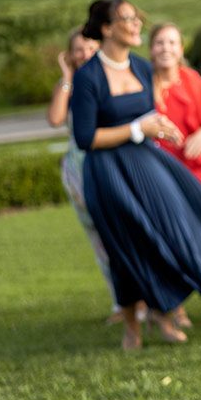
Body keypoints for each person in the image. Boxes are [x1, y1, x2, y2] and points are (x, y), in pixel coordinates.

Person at [70, 0, 201, 351]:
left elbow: (148, 112)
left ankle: (164, 313)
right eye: (127, 18)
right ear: (107, 28)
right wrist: (139, 128)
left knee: (174, 230)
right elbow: (85, 138)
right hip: (107, 172)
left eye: (137, 17)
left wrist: (160, 126)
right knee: (126, 246)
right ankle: (132, 327)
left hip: (147, 163)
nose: (137, 24)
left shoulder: (140, 66)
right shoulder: (88, 77)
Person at [48, 27, 125, 323]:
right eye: (79, 49)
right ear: (70, 55)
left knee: (123, 231)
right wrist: (67, 77)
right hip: (79, 171)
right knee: (99, 238)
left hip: (111, 163)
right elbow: (56, 118)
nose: (85, 54)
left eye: (91, 47)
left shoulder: (111, 78)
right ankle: (120, 304)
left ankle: (142, 299)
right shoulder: (68, 85)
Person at [149, 23, 201, 194]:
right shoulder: (142, 84)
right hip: (158, 171)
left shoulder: (191, 78)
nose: (166, 48)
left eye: (172, 43)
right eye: (160, 43)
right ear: (151, 49)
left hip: (194, 167)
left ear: (180, 49)